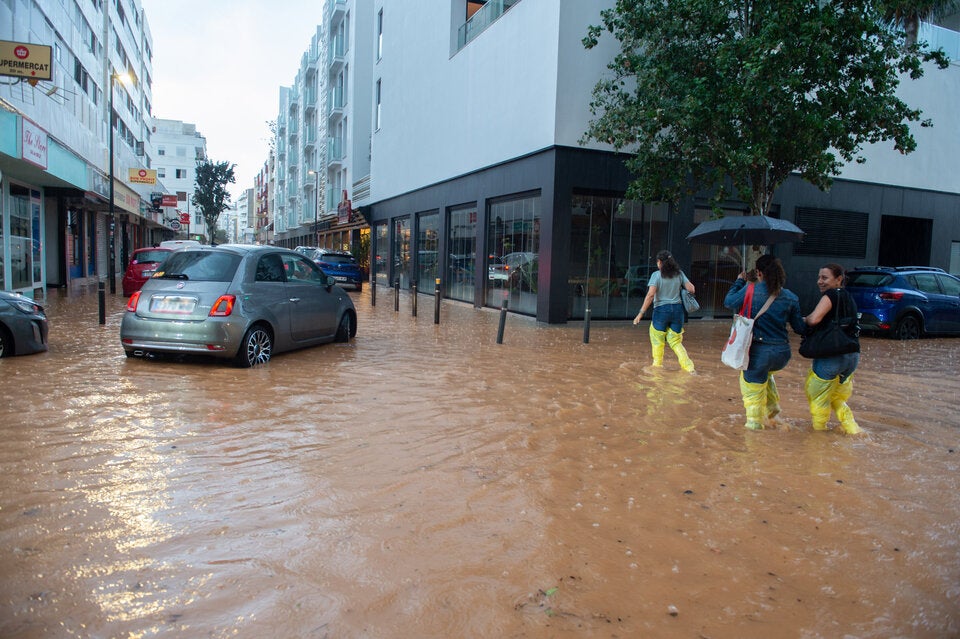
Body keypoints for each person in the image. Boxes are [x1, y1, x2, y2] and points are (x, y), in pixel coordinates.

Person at [724, 254, 806, 430]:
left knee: (752, 391)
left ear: (759, 273)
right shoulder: (790, 296)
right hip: (782, 355)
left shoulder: (750, 290)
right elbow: (800, 328)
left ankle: (754, 433)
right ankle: (773, 414)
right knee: (766, 375)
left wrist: (739, 281)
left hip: (758, 353)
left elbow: (728, 302)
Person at [802, 263, 862, 434]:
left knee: (818, 398)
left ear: (839, 279)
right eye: (819, 277)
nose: (819, 281)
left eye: (824, 278)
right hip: (852, 357)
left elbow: (814, 319)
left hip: (832, 355)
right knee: (836, 398)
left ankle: (819, 436)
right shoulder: (849, 297)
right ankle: (853, 429)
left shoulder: (831, 295)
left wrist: (805, 319)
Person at [633, 250, 696, 372]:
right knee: (675, 341)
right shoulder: (679, 274)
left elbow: (650, 295)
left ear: (659, 262)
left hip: (661, 311)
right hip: (677, 311)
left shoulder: (656, 275)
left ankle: (657, 367)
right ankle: (689, 368)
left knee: (657, 339)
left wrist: (640, 314)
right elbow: (691, 289)